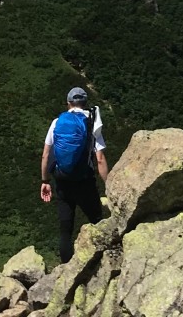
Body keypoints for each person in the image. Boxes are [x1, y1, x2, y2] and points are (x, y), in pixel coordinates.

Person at [40, 86, 109, 263]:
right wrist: (109, 186)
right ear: (85, 104)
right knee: (97, 221)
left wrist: (45, 180)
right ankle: (104, 261)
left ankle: (65, 271)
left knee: (65, 230)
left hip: (62, 181)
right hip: (85, 182)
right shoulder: (91, 123)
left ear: (68, 103)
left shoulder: (57, 122)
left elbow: (46, 154)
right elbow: (99, 159)